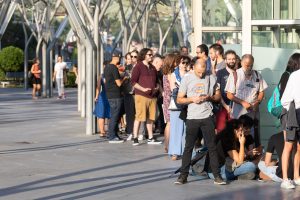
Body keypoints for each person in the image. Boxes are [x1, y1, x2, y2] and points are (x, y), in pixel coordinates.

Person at [174, 60, 226, 185]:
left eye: (203, 71)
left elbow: (218, 96)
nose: (201, 74)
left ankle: (217, 176)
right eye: (199, 72)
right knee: (188, 147)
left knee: (212, 147)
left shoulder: (211, 77)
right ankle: (183, 176)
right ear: (194, 68)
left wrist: (210, 97)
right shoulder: (187, 79)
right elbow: (179, 99)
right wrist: (192, 99)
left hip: (207, 116)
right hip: (192, 117)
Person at [225, 54, 268, 147]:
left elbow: (261, 92)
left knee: (253, 135)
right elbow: (229, 95)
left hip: (253, 112)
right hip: (239, 113)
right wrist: (242, 102)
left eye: (251, 65)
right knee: (238, 134)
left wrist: (258, 101)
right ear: (241, 63)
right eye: (246, 65)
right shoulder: (235, 75)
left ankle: (252, 155)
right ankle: (239, 157)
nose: (249, 68)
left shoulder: (257, 74)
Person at [208, 115, 257, 181]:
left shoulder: (230, 137)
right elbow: (240, 161)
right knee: (251, 166)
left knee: (252, 165)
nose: (242, 132)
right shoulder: (227, 140)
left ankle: (238, 176)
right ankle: (235, 176)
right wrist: (242, 144)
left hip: (225, 167)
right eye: (241, 130)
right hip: (218, 173)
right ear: (235, 131)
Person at [131, 48, 162, 146]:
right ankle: (135, 137)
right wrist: (143, 89)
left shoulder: (152, 67)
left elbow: (157, 81)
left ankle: (150, 137)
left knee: (151, 118)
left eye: (151, 54)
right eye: (149, 54)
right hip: (141, 95)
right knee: (139, 117)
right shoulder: (138, 67)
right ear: (144, 55)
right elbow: (133, 82)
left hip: (152, 96)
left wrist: (157, 88)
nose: (151, 56)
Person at [280, 53, 300, 189]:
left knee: (299, 147)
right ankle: (285, 179)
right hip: (293, 113)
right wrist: (292, 111)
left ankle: (296, 176)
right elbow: (285, 99)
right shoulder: (294, 75)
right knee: (289, 145)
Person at [168, 55, 190, 160]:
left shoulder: (190, 74)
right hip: (177, 104)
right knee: (176, 128)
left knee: (186, 129)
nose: (185, 65)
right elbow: (174, 89)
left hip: (188, 104)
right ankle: (174, 152)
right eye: (183, 62)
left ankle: (184, 151)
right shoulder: (173, 74)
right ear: (178, 63)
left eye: (186, 62)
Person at [103, 51, 128, 143]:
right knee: (115, 116)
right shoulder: (114, 68)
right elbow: (118, 83)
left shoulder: (106, 67)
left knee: (114, 116)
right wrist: (125, 78)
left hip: (109, 95)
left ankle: (114, 134)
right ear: (117, 58)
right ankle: (112, 136)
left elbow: (107, 81)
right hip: (116, 95)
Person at [215, 50, 237, 133]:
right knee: (221, 132)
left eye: (233, 59)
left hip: (236, 108)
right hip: (223, 107)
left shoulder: (238, 72)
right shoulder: (220, 73)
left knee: (234, 132)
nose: (231, 61)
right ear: (225, 60)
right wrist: (226, 106)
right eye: (229, 59)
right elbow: (217, 91)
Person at [162, 53, 178, 153]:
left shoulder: (165, 73)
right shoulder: (171, 74)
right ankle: (168, 145)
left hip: (166, 99)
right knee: (170, 123)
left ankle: (167, 145)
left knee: (169, 123)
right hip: (171, 100)